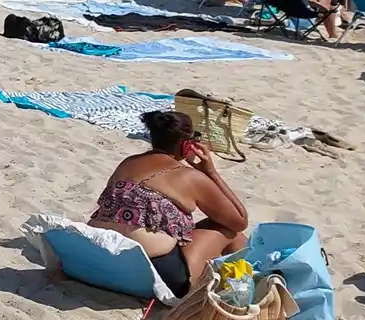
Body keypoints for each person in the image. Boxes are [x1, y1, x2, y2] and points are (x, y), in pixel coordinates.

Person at [87, 109, 249, 299]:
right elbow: (240, 220)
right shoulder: (189, 177)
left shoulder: (128, 163)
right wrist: (211, 173)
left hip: (99, 260)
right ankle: (247, 283)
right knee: (231, 232)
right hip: (158, 274)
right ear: (187, 144)